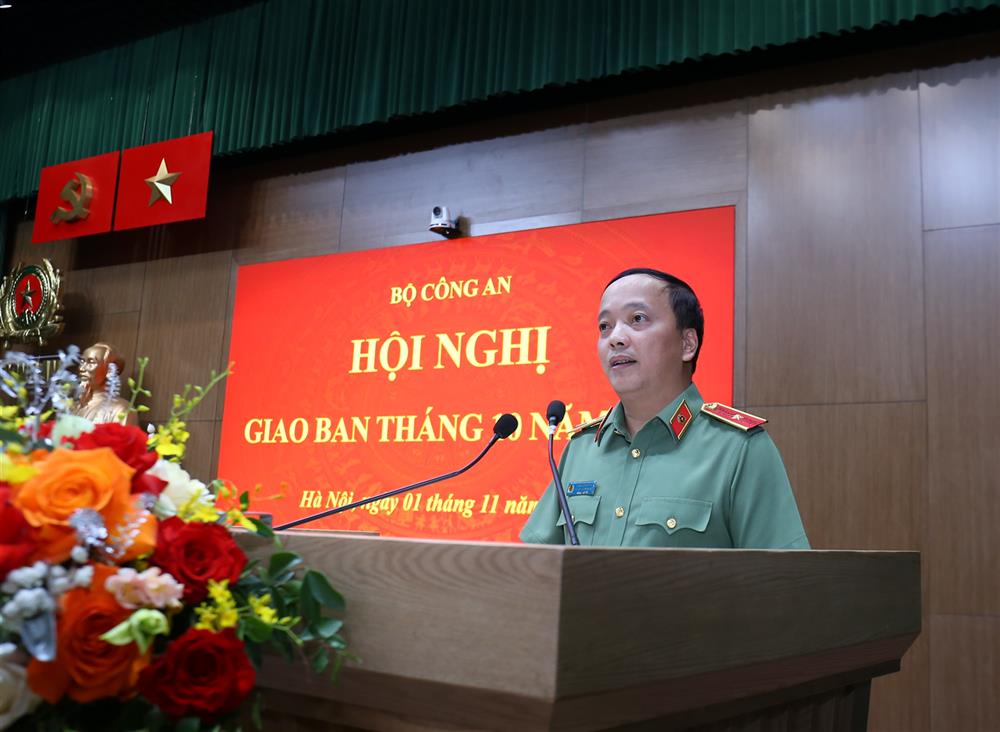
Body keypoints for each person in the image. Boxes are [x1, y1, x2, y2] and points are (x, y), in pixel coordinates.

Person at [520, 268, 809, 548]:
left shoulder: (738, 449)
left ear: (687, 344)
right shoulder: (582, 448)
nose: (615, 338)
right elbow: (531, 565)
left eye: (637, 319)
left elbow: (783, 574)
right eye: (604, 326)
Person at [71, 342, 137, 425]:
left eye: (91, 362)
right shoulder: (73, 407)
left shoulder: (121, 409)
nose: (82, 368)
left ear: (110, 370)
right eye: (82, 362)